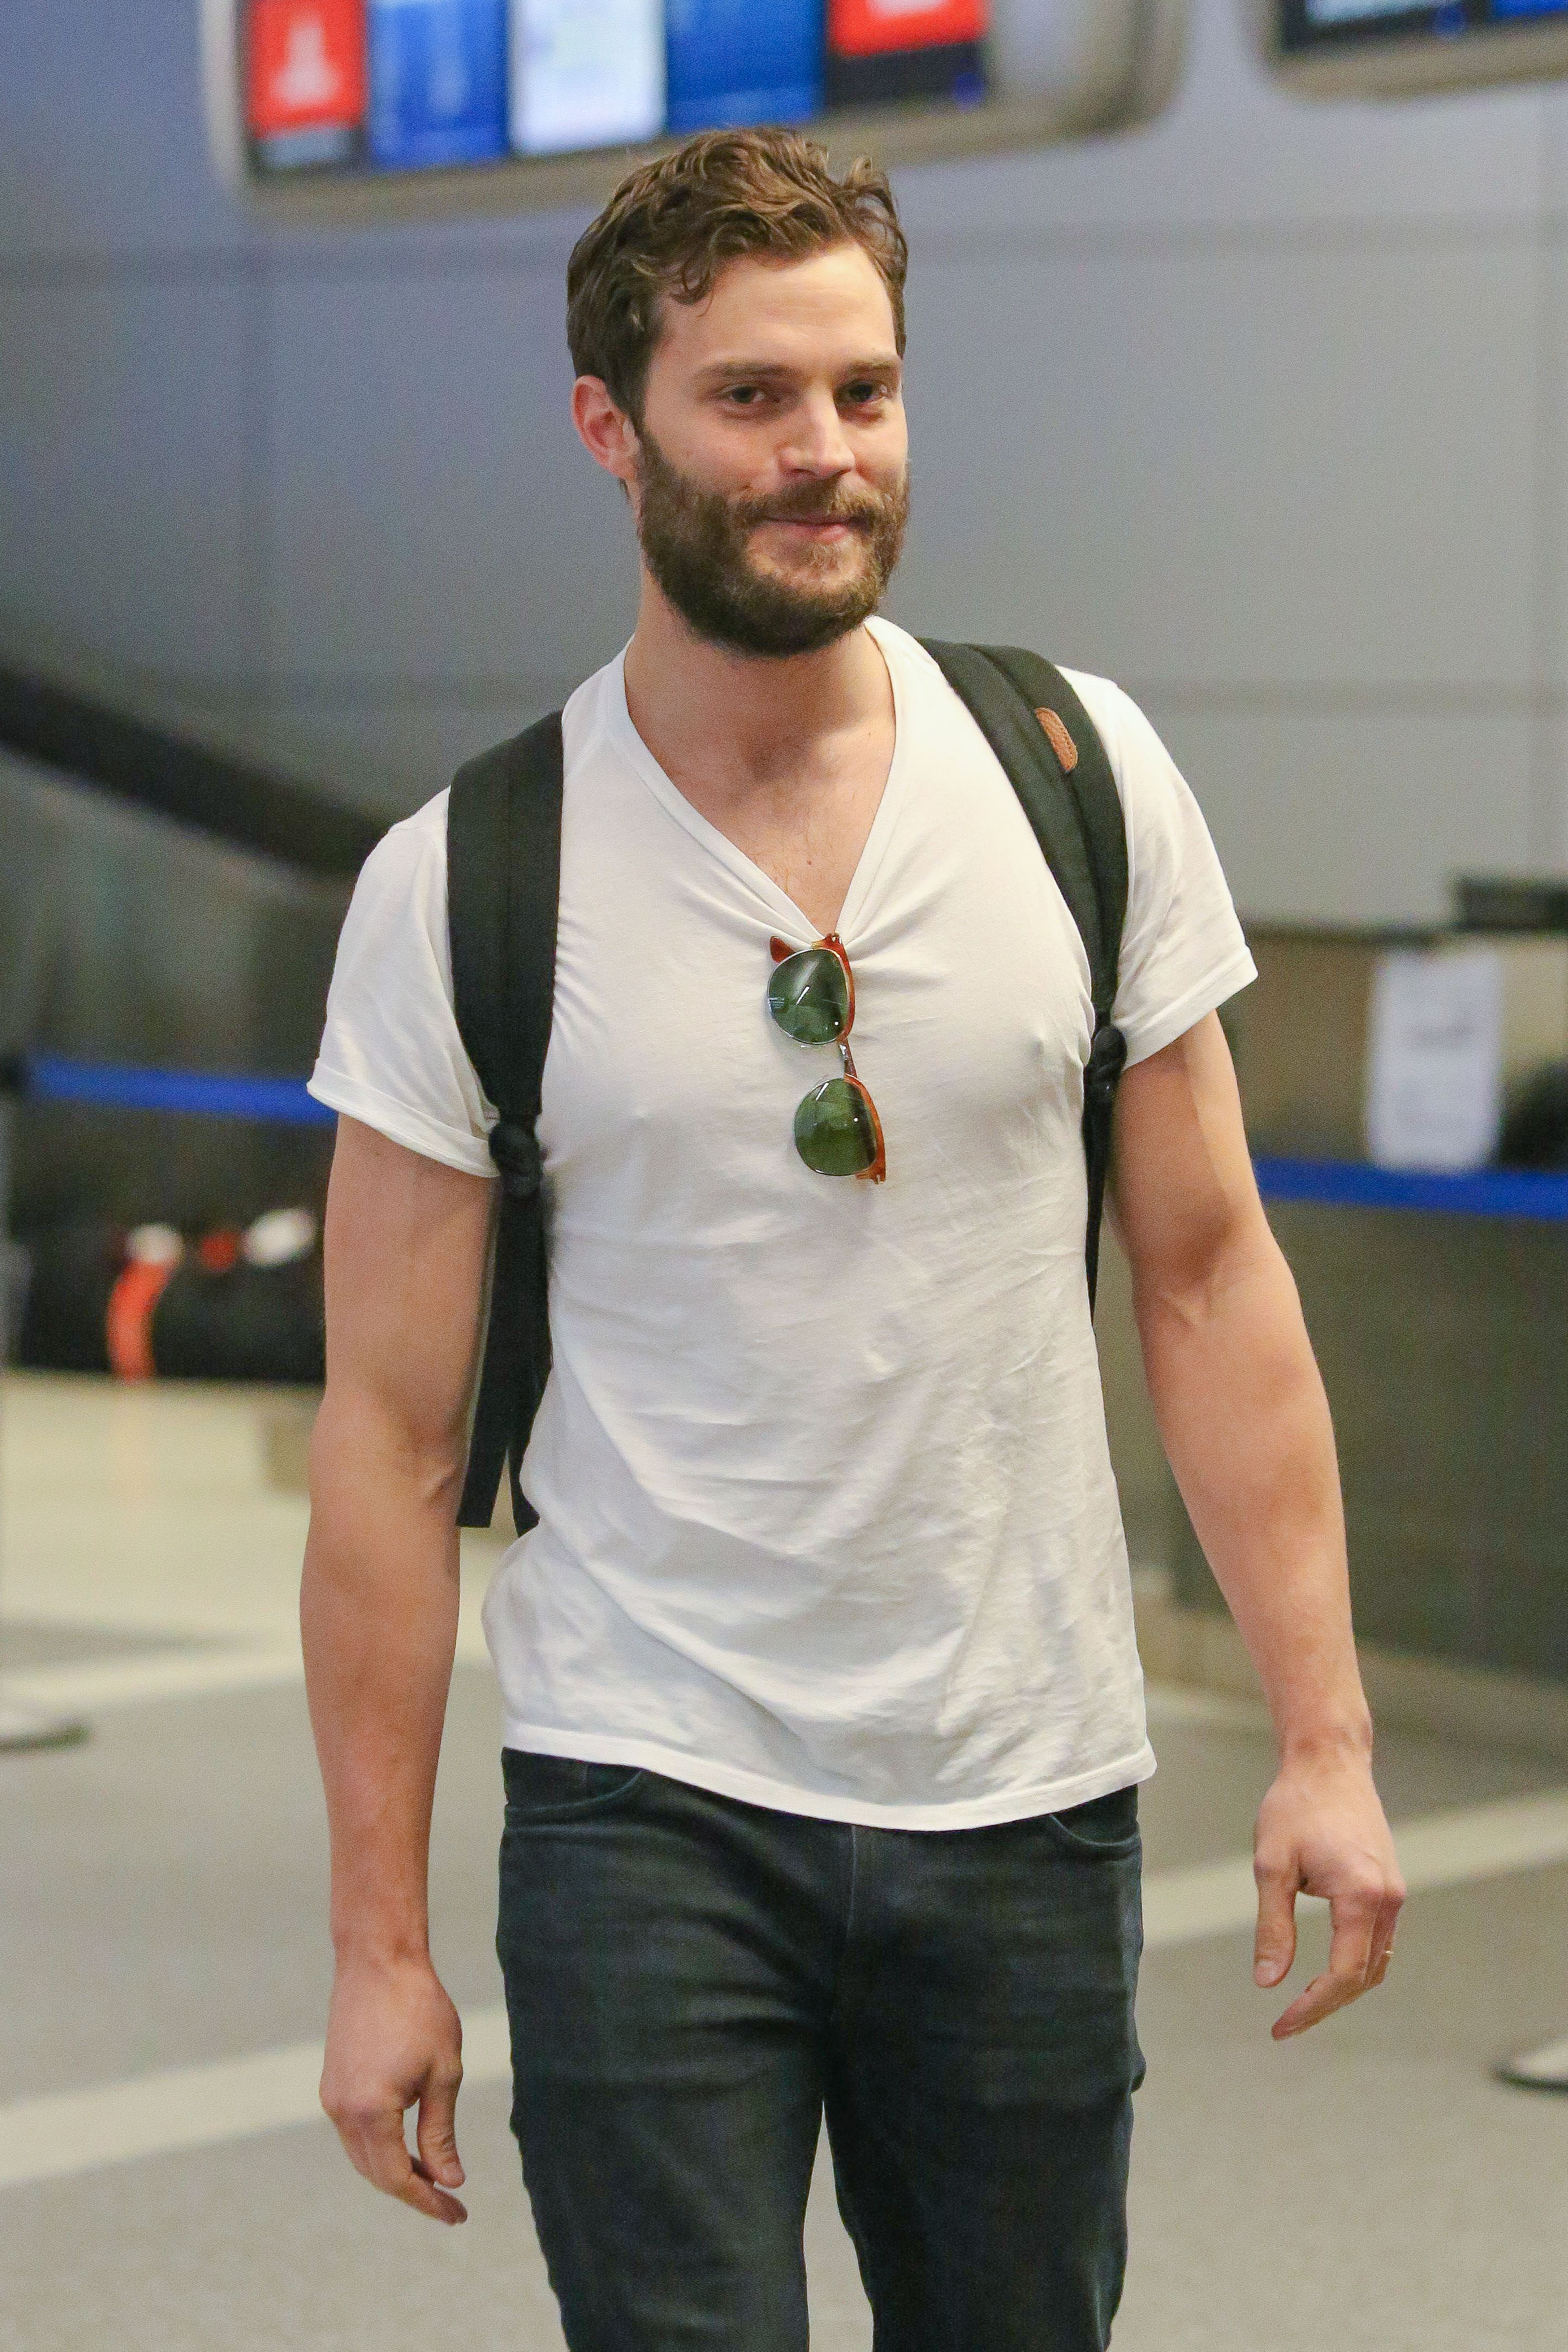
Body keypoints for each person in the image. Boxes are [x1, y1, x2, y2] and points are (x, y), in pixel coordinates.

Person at [301, 126, 1405, 2352]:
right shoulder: (468, 878)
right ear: (609, 425)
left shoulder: (1079, 776)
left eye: (865, 391)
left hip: (1025, 1787)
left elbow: (1208, 1278)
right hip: (645, 1798)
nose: (825, 451)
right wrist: (376, 1943)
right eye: (752, 397)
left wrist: (1325, 1734)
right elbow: (392, 1445)